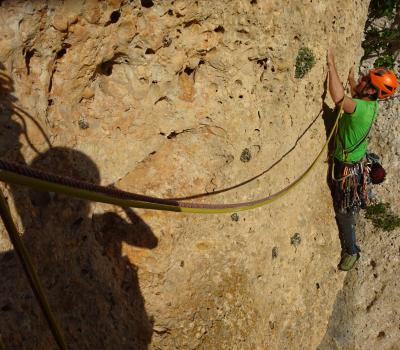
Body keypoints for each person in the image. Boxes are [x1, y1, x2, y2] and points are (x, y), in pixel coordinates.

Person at [326, 48, 398, 271]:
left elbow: (338, 98)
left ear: (372, 91)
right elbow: (359, 91)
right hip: (356, 160)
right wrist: (350, 78)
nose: (363, 80)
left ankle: (352, 250)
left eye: (367, 80)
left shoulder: (360, 108)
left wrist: (331, 63)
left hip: (347, 166)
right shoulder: (371, 103)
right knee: (349, 204)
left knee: (343, 211)